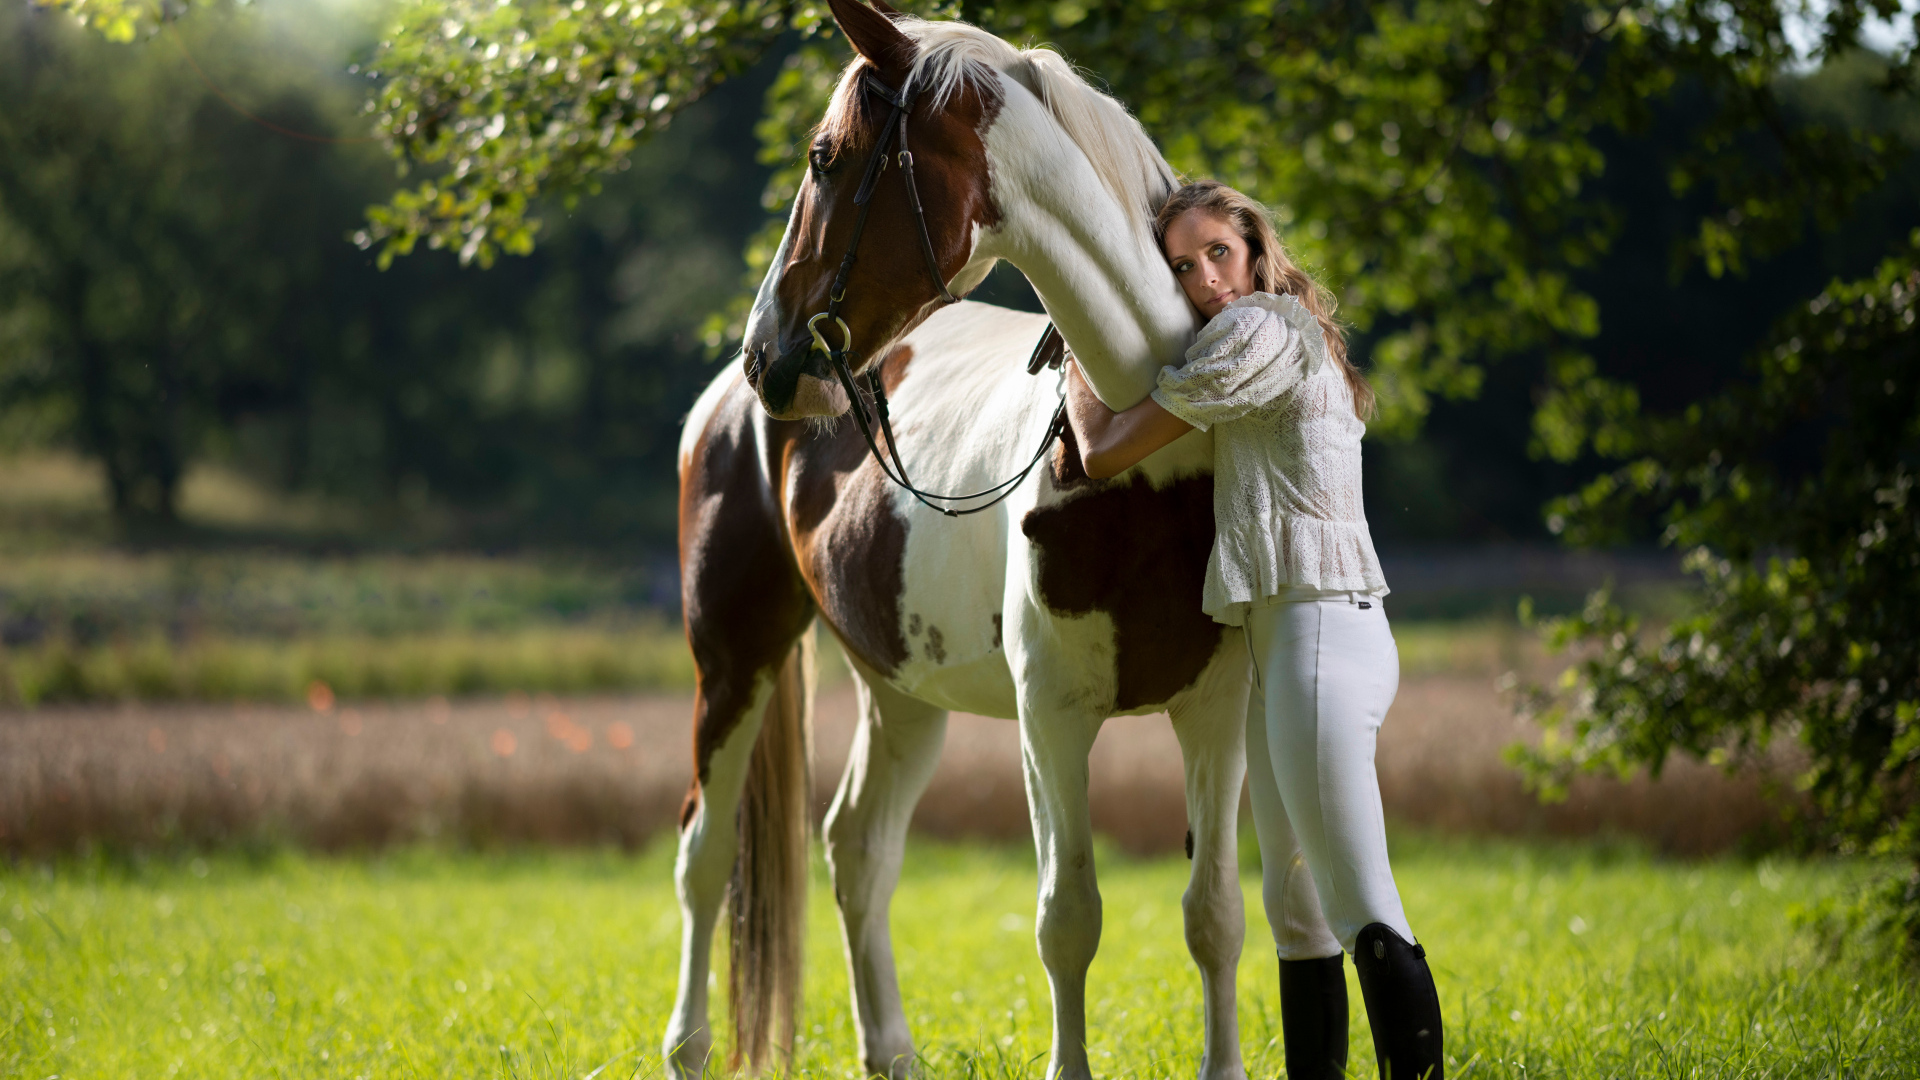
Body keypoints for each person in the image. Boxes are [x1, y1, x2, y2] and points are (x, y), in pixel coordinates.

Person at [1062, 180, 1445, 1080]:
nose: (1204, 280)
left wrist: (1077, 356)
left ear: (1255, 247)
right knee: (1298, 912)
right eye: (1181, 268)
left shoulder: (1259, 330)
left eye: (1217, 253)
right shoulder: (1284, 333)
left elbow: (1104, 452)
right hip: (1291, 643)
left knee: (1361, 906)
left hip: (1317, 637)